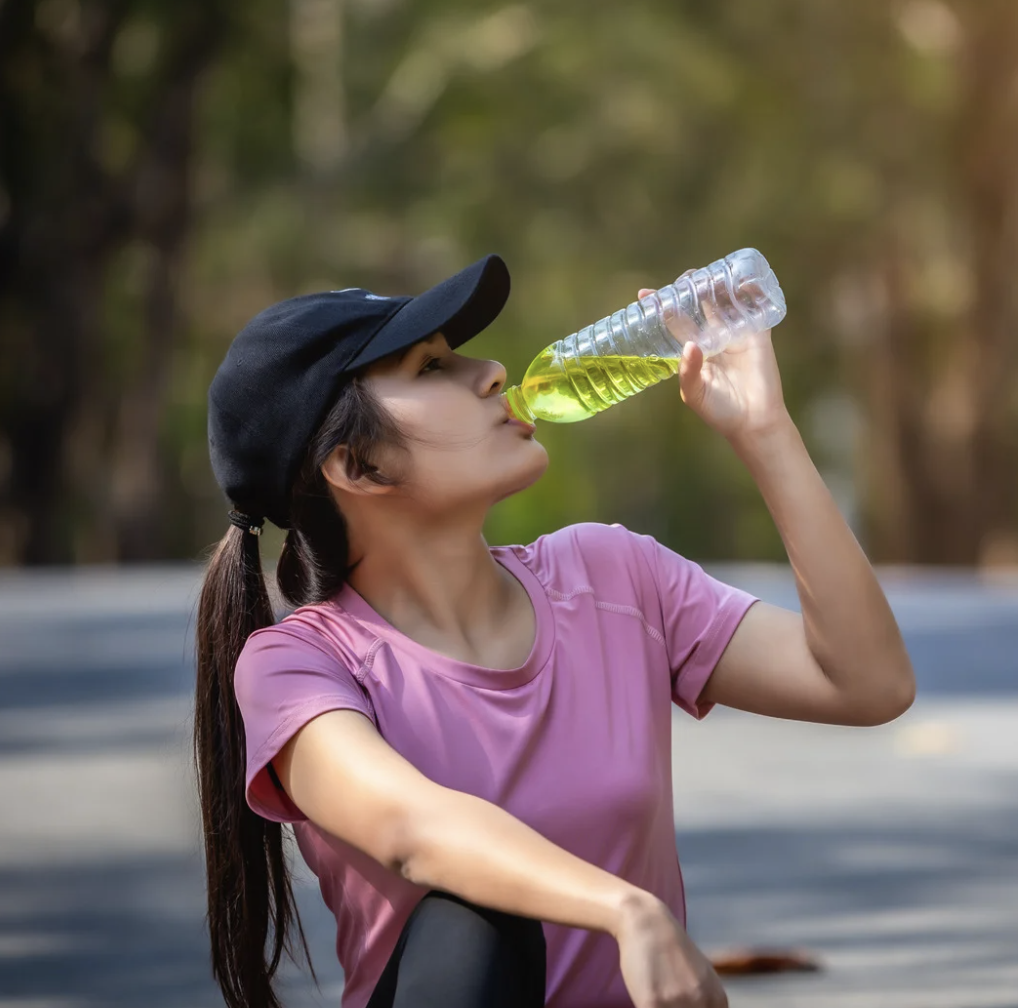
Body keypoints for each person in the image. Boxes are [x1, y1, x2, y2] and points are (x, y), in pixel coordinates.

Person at [193, 253, 916, 1008]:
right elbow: (414, 830)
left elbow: (866, 683)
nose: (495, 370)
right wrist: (625, 908)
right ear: (356, 464)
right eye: (433, 367)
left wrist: (764, 432)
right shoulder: (299, 665)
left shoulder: (610, 576)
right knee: (474, 916)